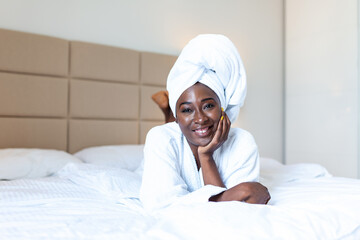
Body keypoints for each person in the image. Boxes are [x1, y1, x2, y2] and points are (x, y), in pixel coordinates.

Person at [140, 34, 270, 211]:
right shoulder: (160, 137)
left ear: (222, 107)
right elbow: (161, 204)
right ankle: (168, 114)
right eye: (187, 109)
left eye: (208, 105)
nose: (201, 118)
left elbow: (236, 213)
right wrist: (239, 193)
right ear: (177, 116)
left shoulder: (243, 142)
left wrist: (206, 156)